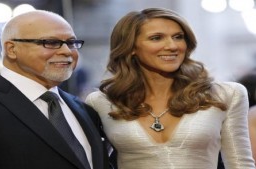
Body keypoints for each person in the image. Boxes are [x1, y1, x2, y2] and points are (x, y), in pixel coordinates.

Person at [85, 7, 255, 169]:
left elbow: (240, 164)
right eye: (156, 38)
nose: (172, 46)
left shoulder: (226, 94)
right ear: (131, 48)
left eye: (178, 37)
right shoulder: (102, 102)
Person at [0, 10, 110, 169]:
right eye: (50, 42)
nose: (66, 51)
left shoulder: (84, 109)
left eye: (71, 43)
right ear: (11, 49)